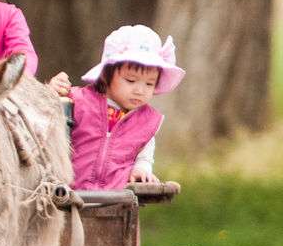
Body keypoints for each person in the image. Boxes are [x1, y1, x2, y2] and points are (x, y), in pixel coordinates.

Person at [48, 24, 185, 189]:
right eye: (131, 81)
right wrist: (51, 92)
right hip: (70, 196)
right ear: (106, 76)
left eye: (149, 84)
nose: (140, 90)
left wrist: (141, 169)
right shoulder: (78, 101)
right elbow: (44, 117)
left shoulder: (146, 121)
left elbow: (145, 155)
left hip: (117, 202)